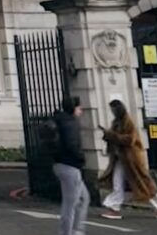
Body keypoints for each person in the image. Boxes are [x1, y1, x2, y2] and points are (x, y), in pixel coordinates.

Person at [100, 99, 157, 219]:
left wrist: (112, 136)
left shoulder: (128, 121)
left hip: (132, 158)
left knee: (143, 183)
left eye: (112, 109)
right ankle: (114, 208)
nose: (111, 111)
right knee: (118, 183)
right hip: (122, 158)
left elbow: (130, 140)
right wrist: (108, 136)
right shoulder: (117, 122)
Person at [53, 97, 89, 235]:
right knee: (70, 203)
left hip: (61, 165)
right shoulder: (70, 123)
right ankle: (68, 232)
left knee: (83, 198)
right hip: (70, 166)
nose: (81, 110)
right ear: (74, 109)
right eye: (79, 107)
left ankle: (76, 230)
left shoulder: (60, 120)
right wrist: (81, 158)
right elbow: (72, 145)